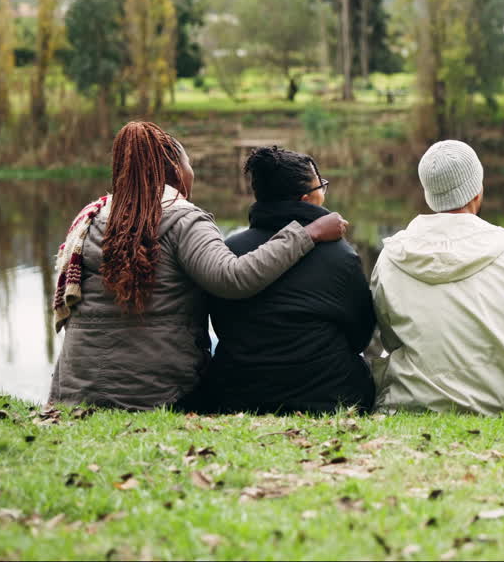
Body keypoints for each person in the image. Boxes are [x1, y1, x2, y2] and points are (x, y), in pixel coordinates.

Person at [47, 121, 348, 411]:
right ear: (178, 171)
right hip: (155, 395)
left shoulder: (93, 217)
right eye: (189, 165)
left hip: (77, 391)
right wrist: (309, 233)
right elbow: (233, 278)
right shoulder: (182, 219)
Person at [369, 140, 504, 415]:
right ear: (478, 190)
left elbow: (391, 340)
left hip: (416, 396)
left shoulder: (390, 257)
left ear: (428, 194)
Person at [188, 147, 377, 414]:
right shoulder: (341, 255)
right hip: (329, 397)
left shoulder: (227, 252)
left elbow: (220, 326)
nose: (324, 192)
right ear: (307, 199)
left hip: (238, 396)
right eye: (321, 186)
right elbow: (360, 336)